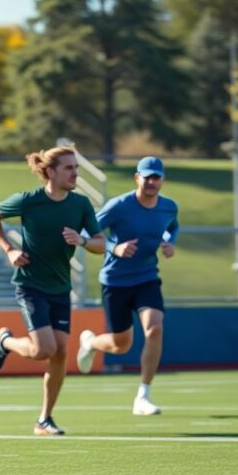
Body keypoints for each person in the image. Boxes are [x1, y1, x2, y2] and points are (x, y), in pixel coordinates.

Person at [0, 147, 105, 436]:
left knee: (60, 353)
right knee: (43, 350)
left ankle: (44, 419)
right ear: (51, 172)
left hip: (61, 288)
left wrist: (82, 241)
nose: (75, 173)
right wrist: (9, 249)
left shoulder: (81, 205)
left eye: (77, 167)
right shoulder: (28, 200)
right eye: (69, 168)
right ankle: (6, 342)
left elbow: (101, 244)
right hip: (30, 285)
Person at [75, 156, 179, 415]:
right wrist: (114, 247)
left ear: (162, 180)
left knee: (154, 328)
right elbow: (88, 234)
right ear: (137, 178)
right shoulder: (119, 206)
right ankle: (90, 343)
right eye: (147, 177)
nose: (152, 181)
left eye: (156, 177)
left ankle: (143, 395)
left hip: (147, 277)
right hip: (115, 281)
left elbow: (173, 227)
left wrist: (169, 243)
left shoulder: (168, 207)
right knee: (121, 345)